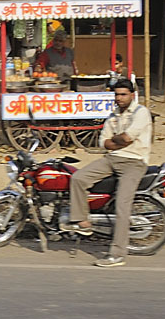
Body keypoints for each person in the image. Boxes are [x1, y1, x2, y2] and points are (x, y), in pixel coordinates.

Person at [61, 80, 152, 267]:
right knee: (78, 178)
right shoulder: (113, 115)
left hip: (134, 162)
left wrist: (118, 140)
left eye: (123, 94)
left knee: (122, 205)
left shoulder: (141, 112)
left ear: (132, 95)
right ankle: (82, 222)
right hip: (111, 159)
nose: (119, 98)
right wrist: (118, 141)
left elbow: (127, 138)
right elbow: (104, 142)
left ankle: (117, 254)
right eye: (116, 94)